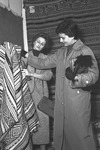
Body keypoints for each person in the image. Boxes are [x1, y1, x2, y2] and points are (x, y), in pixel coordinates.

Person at [22, 19, 99, 150]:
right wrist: (25, 55)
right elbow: (42, 63)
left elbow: (94, 75)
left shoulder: (84, 51)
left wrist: (77, 78)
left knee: (80, 133)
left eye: (62, 38)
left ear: (72, 35)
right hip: (61, 100)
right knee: (62, 132)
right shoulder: (60, 53)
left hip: (77, 101)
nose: (60, 41)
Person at [22, 33, 53, 150]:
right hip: (26, 93)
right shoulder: (24, 55)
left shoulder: (46, 58)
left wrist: (32, 74)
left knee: (43, 122)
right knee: (27, 122)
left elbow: (49, 75)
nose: (40, 45)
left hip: (41, 94)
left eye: (43, 44)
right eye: (38, 42)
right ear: (34, 42)